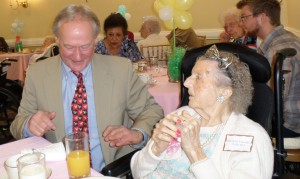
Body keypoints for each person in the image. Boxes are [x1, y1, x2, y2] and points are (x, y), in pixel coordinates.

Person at [10, 4, 163, 172]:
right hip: (59, 170)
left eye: (85, 46)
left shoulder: (121, 70)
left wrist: (137, 134)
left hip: (111, 170)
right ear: (58, 40)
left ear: (96, 40)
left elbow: (152, 111)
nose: (77, 56)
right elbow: (17, 124)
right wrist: (28, 124)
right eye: (68, 47)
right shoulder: (37, 73)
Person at [131, 45, 274, 178]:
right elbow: (137, 172)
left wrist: (195, 152)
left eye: (198, 77)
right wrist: (155, 150)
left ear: (224, 92)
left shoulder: (250, 136)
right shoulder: (181, 115)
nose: (186, 83)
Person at [237, 0, 300, 138]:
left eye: (244, 17)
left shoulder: (279, 49)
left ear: (262, 17)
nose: (242, 23)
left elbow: (276, 100)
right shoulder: (275, 42)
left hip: (289, 126)